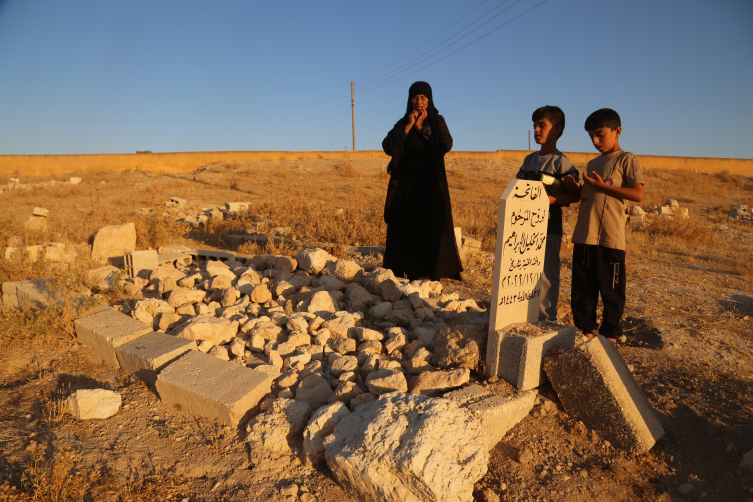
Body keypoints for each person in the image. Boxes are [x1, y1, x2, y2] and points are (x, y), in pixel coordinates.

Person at [561, 108, 644, 342]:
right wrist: (574, 188)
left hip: (610, 236)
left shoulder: (627, 159)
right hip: (584, 235)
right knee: (582, 288)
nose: (595, 141)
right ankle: (585, 333)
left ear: (617, 131)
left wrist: (602, 186)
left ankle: (610, 336)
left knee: (611, 289)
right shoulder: (593, 162)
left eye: (600, 134)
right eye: (591, 136)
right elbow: (585, 195)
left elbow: (638, 194)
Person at [381, 81, 463, 281]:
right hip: (406, 182)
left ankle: (433, 270)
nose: (419, 102)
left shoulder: (437, 120)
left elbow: (445, 144)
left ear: (429, 100)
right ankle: (407, 269)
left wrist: (421, 127)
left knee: (431, 222)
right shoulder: (403, 122)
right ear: (410, 100)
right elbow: (388, 146)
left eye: (423, 98)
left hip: (430, 182)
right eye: (415, 97)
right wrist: (409, 126)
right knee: (407, 224)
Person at [515, 105, 579, 322]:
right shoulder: (529, 161)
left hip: (549, 228)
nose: (536, 130)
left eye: (542, 125)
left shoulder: (562, 163)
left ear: (557, 130)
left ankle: (545, 320)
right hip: (524, 227)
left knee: (547, 275)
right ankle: (523, 315)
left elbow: (575, 195)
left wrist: (552, 200)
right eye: (534, 126)